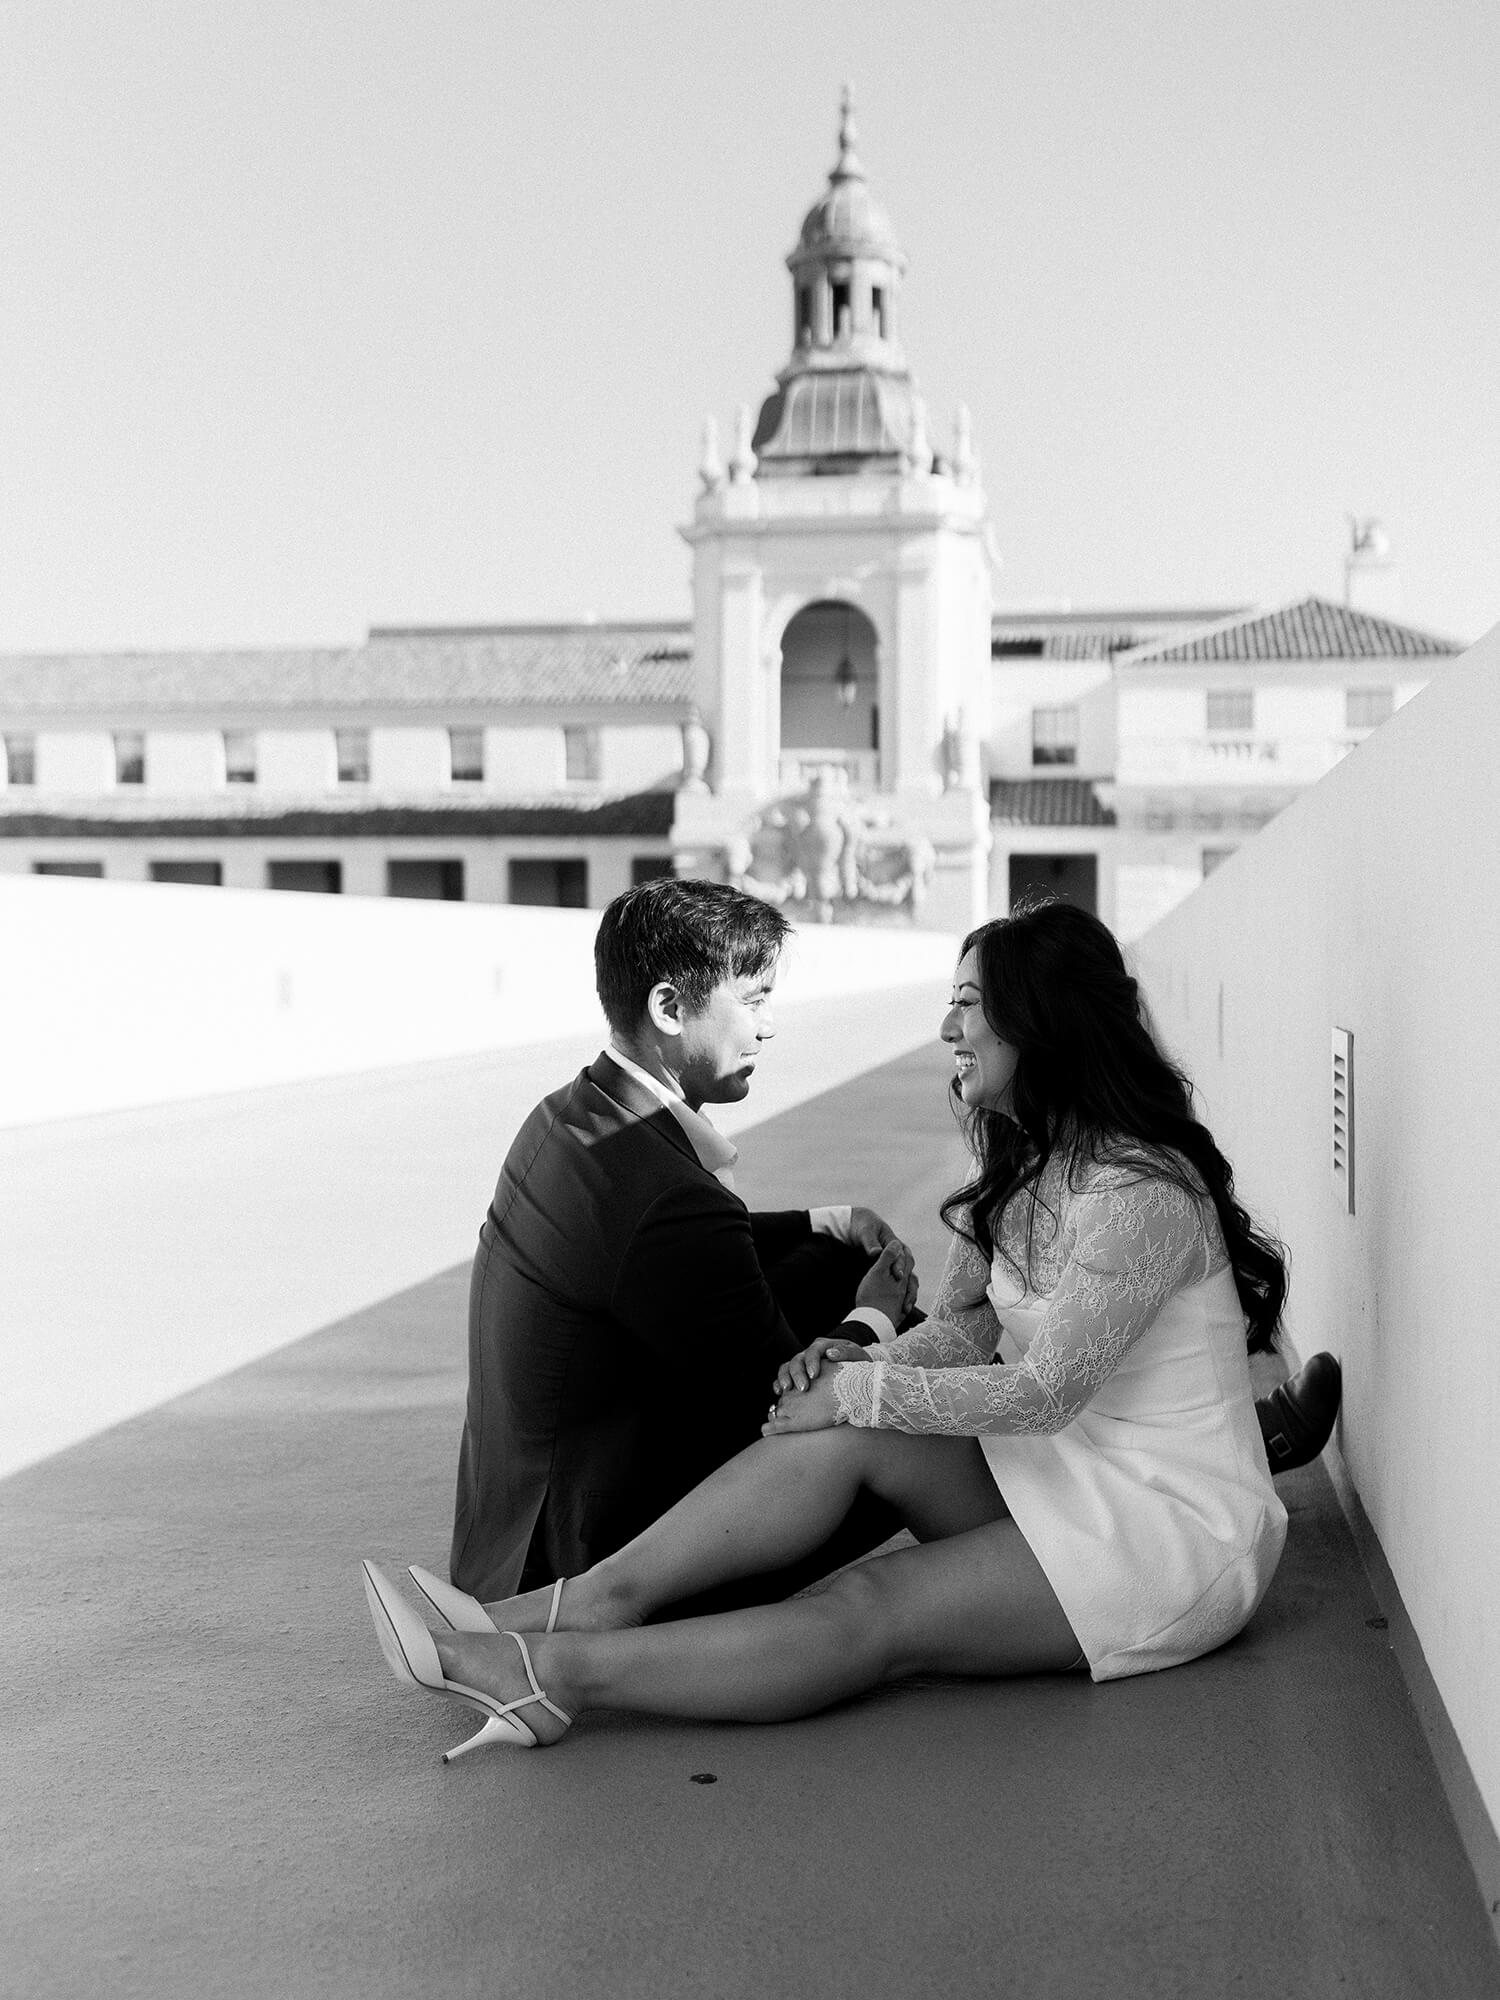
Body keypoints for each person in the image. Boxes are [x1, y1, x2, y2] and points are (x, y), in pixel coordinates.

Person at [364, 898, 1296, 1759]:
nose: (946, 1030)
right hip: (1071, 1470)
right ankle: (575, 1605)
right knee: (845, 1419)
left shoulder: (1140, 1192)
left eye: (969, 1005)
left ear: (1041, 1019)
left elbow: (1042, 1392)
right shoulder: (1024, 1165)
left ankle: (548, 1677)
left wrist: (862, 1381)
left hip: (1169, 1524)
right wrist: (859, 1356)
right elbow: (967, 1336)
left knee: (869, 1606)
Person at [442, 877, 916, 1608]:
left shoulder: (568, 1114)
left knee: (839, 1259)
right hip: (579, 1554)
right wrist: (876, 1320)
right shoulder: (669, 1196)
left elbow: (666, 1258)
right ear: (669, 1008)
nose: (767, 1027)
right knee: (903, 1395)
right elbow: (785, 1404)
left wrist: (827, 1219)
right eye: (753, 1001)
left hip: (505, 1529)